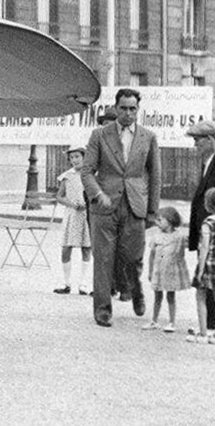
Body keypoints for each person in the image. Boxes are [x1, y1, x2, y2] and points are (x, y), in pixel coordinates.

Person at [80, 87, 160, 328]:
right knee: (103, 259)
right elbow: (86, 171)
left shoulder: (148, 137)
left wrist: (152, 212)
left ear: (138, 110)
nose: (128, 113)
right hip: (104, 207)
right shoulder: (100, 135)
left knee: (134, 257)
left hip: (135, 204)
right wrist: (97, 193)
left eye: (132, 109)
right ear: (115, 108)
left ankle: (135, 293)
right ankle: (103, 310)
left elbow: (155, 176)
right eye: (123, 108)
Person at [186, 121, 215, 336]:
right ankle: (210, 323)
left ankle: (211, 325)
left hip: (211, 232)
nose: (195, 145)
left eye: (198, 140)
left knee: (208, 278)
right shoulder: (207, 162)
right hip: (205, 230)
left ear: (210, 140)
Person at [53, 141, 91, 296]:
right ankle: (66, 283)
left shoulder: (90, 174)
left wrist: (87, 204)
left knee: (86, 247)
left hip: (87, 215)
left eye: (77, 156)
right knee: (66, 248)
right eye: (72, 157)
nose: (75, 160)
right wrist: (71, 204)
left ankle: (83, 284)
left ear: (84, 157)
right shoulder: (67, 176)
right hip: (72, 214)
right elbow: (59, 196)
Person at [142, 206, 188, 333]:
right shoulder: (156, 237)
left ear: (170, 220)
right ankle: (154, 320)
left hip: (171, 271)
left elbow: (187, 248)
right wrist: (150, 270)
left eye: (160, 220)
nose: (157, 223)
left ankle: (172, 322)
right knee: (157, 296)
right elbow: (152, 255)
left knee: (171, 296)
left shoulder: (179, 237)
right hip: (158, 270)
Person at [187, 188, 215, 344]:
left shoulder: (208, 223)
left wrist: (200, 268)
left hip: (209, 265)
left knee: (201, 296)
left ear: (208, 205)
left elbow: (204, 246)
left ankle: (204, 333)